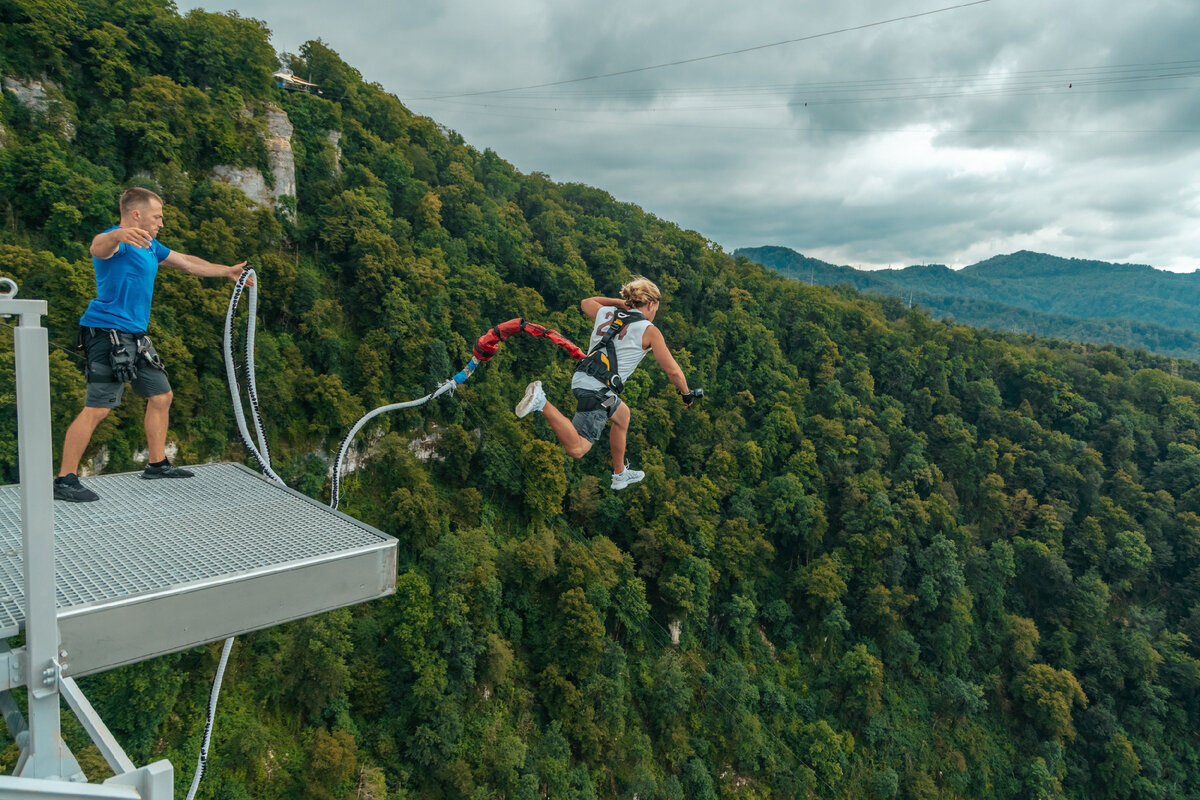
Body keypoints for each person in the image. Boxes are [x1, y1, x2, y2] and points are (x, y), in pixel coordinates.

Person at [53, 187, 250, 502]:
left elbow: (186, 262)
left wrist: (227, 271)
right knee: (98, 408)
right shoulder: (118, 241)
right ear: (136, 214)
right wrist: (119, 235)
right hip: (106, 333)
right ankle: (64, 479)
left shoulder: (150, 246)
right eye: (156, 216)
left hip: (135, 334)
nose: (160, 222)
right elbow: (96, 248)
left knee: (162, 395)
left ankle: (157, 463)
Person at [515, 277, 697, 490]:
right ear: (651, 304)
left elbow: (586, 302)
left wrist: (621, 304)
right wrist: (686, 393)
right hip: (598, 391)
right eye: (657, 306)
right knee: (577, 449)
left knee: (622, 415)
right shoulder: (649, 330)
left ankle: (619, 474)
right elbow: (673, 370)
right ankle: (541, 402)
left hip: (586, 378)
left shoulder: (608, 313)